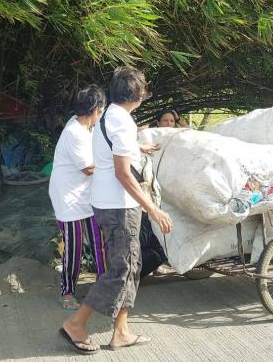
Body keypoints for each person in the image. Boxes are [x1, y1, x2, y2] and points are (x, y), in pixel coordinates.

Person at [60, 66, 173, 355]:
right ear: (138, 94)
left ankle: (121, 331)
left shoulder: (109, 115)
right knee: (122, 268)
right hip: (119, 206)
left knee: (131, 266)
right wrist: (154, 210)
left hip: (108, 202)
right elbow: (123, 174)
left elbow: (114, 153)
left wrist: (138, 149)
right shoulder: (123, 122)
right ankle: (76, 322)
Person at [48, 85, 108, 310]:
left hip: (86, 196)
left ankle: (104, 286)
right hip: (69, 199)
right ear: (95, 110)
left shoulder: (86, 127)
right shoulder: (75, 132)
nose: (101, 115)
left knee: (98, 242)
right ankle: (67, 292)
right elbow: (89, 168)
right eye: (101, 110)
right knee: (73, 247)